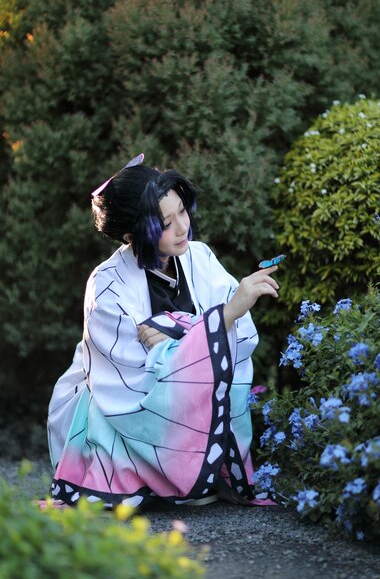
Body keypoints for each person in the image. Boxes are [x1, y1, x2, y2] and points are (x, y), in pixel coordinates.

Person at [47, 154, 279, 509]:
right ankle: (158, 478)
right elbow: (129, 377)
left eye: (182, 212)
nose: (183, 228)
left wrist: (171, 328)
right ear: (131, 235)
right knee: (108, 411)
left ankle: (192, 474)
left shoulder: (199, 257)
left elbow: (241, 337)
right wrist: (221, 318)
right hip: (115, 406)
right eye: (166, 224)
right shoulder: (107, 285)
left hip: (179, 402)